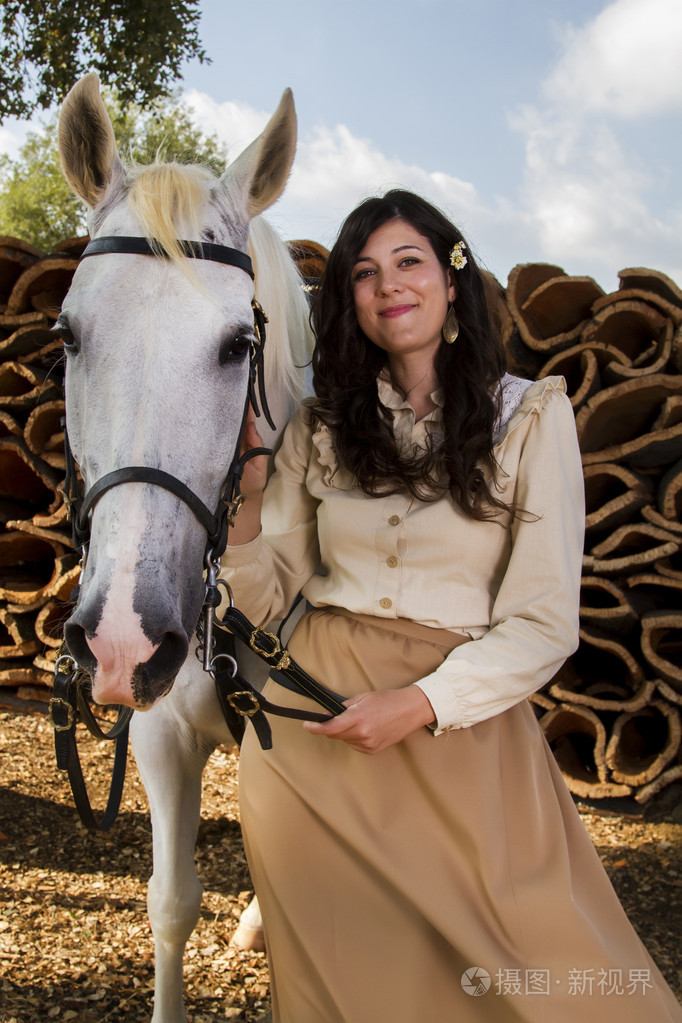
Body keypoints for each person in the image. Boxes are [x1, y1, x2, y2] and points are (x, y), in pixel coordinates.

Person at [221, 189, 682, 1023]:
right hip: (311, 735)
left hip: (461, 733)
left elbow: (543, 621)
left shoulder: (531, 416)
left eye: (408, 262)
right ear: (349, 303)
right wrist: (249, 506)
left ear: (450, 277)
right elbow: (262, 599)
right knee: (344, 982)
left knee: (540, 963)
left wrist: (420, 701)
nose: (387, 285)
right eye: (363, 272)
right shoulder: (322, 427)